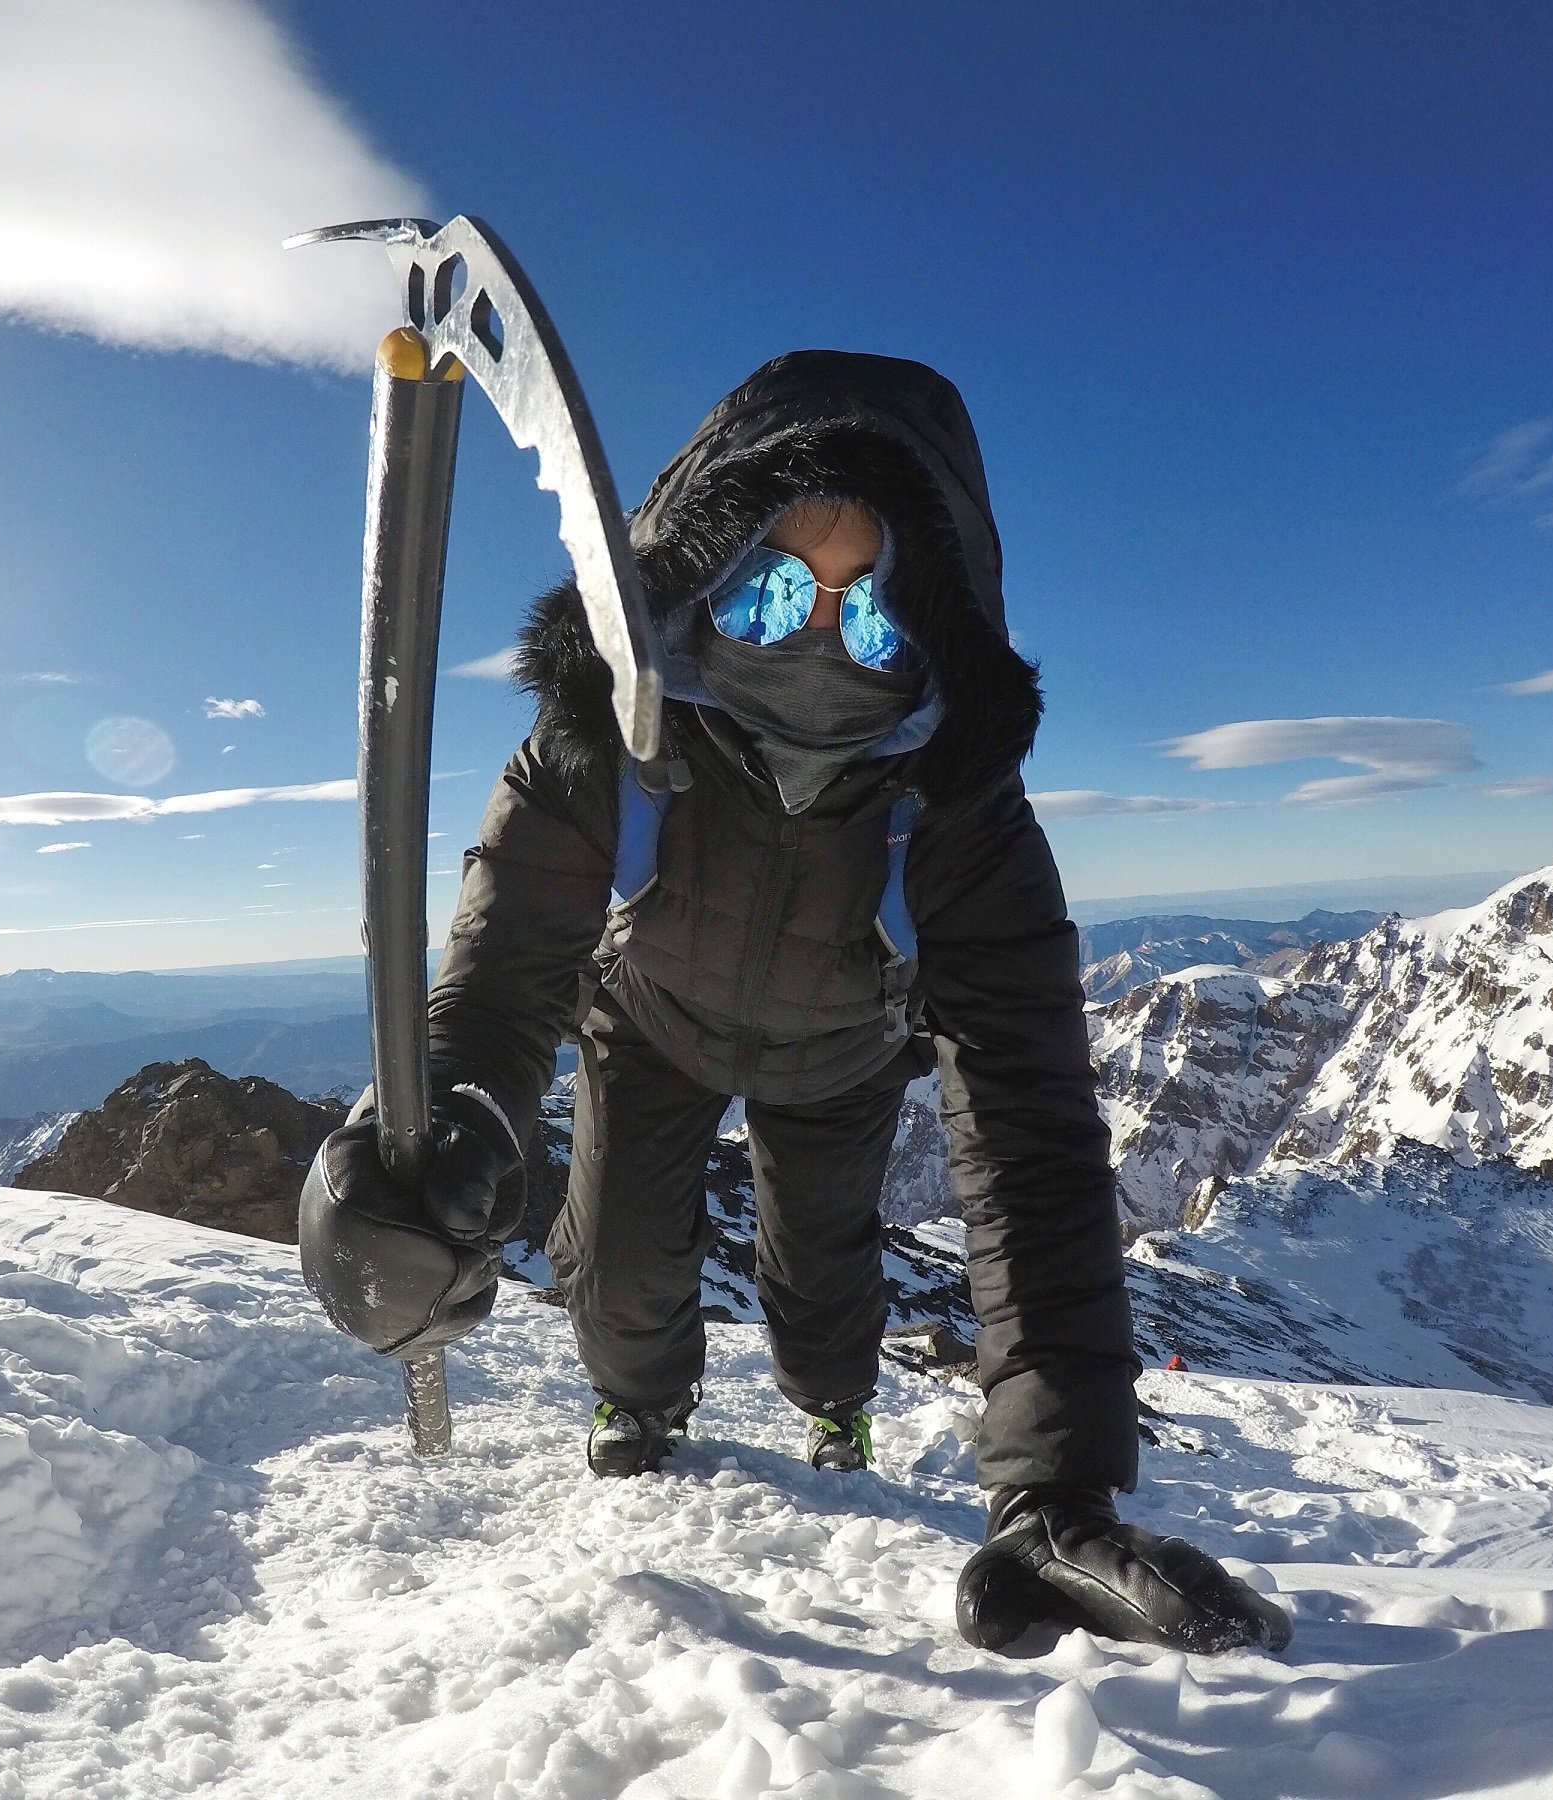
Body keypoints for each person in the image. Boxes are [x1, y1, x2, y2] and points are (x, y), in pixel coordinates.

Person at [300, 351, 1290, 1655]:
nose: (821, 640)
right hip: (648, 1025)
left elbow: (1029, 1129)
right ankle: (637, 1405)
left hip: (841, 1057)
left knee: (824, 1270)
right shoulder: (608, 737)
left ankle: (834, 1400)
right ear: (698, 573)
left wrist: (1052, 1479)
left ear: (936, 626)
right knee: (623, 1265)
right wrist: (440, 1142)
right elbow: (500, 978)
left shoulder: (957, 812)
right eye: (771, 590)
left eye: (874, 616)